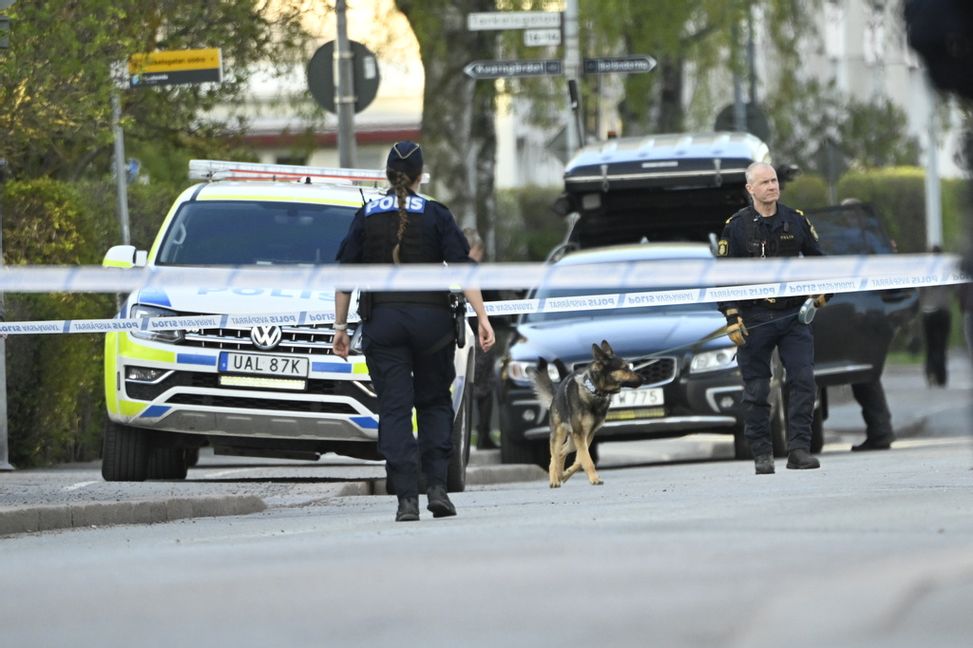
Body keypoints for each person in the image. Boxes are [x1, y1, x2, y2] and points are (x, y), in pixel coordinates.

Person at [332, 141, 495, 522]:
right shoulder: (436, 213)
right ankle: (437, 488)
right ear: (422, 176)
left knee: (395, 408)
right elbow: (463, 268)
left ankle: (407, 499)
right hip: (432, 325)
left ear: (388, 176)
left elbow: (344, 277)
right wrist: (482, 316)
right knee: (434, 403)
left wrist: (340, 328)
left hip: (384, 322)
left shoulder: (367, 214)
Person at [717, 162, 826, 474]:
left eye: (774, 180)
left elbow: (821, 262)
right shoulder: (736, 227)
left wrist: (823, 293)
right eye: (764, 182)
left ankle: (799, 450)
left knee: (803, 380)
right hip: (754, 317)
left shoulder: (795, 220)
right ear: (750, 189)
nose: (772, 186)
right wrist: (732, 315)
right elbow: (722, 277)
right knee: (756, 389)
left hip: (793, 316)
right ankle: (762, 453)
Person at [462, 227, 501, 450]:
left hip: (458, 334)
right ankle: (483, 434)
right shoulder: (478, 272)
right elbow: (495, 299)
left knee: (463, 386)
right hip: (481, 335)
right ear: (475, 249)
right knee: (484, 388)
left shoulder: (449, 269)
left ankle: (464, 436)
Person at [918, 245, 953, 387]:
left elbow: (920, 291)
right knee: (941, 345)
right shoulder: (946, 269)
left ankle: (930, 372)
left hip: (928, 311)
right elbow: (953, 287)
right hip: (943, 310)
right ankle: (941, 376)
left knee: (930, 345)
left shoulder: (924, 270)